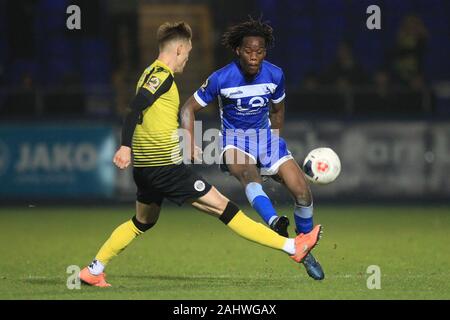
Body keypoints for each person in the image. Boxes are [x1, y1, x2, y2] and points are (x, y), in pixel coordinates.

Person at [79, 21, 322, 287]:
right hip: (166, 169)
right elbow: (134, 108)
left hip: (146, 169)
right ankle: (292, 247)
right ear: (180, 49)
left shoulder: (148, 72)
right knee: (228, 211)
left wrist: (184, 142)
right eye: (189, 52)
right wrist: (125, 145)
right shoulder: (162, 77)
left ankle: (94, 268)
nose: (189, 58)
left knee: (142, 222)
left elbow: (147, 114)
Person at [180, 17, 325, 280]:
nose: (254, 57)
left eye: (259, 52)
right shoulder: (221, 78)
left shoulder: (275, 74)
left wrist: (274, 147)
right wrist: (190, 141)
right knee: (248, 174)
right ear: (238, 50)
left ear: (265, 52)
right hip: (234, 141)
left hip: (266, 139)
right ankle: (273, 223)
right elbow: (188, 108)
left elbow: (278, 110)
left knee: (302, 191)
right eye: (248, 51)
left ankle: (305, 249)